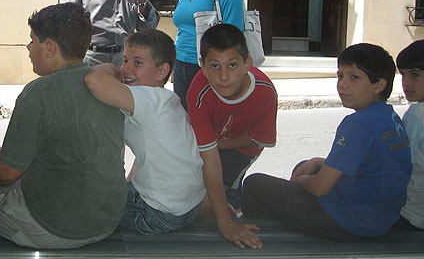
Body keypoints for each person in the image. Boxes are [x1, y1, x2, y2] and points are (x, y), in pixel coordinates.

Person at [242, 43, 412, 239]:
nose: (343, 84)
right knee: (306, 165)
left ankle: (261, 240)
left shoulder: (358, 123)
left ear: (378, 85)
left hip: (344, 220)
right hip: (379, 219)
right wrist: (319, 163)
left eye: (354, 77)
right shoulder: (389, 117)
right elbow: (371, 164)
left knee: (254, 184)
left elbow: (320, 188)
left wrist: (302, 182)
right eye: (340, 76)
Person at [0, 3, 126, 249]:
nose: (29, 48)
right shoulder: (106, 86)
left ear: (50, 47)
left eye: (33, 41)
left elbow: (6, 175)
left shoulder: (37, 93)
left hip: (54, 229)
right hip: (108, 220)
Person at [84, 29, 206, 235]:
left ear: (162, 72)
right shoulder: (167, 100)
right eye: (124, 60)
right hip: (188, 206)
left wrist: (110, 68)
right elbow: (149, 153)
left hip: (158, 214)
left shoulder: (147, 98)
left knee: (82, 195)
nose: (126, 69)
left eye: (137, 63)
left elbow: (94, 81)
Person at [187, 23, 277, 215]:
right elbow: (206, 153)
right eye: (214, 66)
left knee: (208, 202)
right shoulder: (199, 90)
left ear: (247, 64)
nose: (224, 76)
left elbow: (259, 138)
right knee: (191, 194)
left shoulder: (265, 92)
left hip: (241, 149)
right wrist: (211, 145)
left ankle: (235, 205)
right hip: (208, 146)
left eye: (233, 65)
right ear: (202, 66)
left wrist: (217, 145)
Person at [172, 0, 245, 110]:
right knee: (186, 123)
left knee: (209, 121)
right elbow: (182, 29)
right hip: (181, 66)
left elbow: (234, 31)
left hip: (208, 67)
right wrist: (175, 65)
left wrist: (222, 71)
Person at [393, 40, 424, 230]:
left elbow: (399, 166)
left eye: (415, 75)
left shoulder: (418, 115)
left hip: (409, 215)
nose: (407, 83)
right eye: (403, 75)